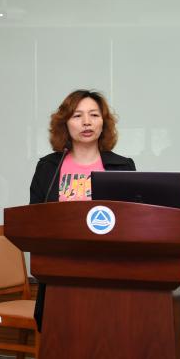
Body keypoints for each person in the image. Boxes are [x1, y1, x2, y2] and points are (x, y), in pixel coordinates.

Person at [28, 89, 135, 328]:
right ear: (65, 124)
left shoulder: (122, 167)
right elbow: (33, 220)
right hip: (59, 274)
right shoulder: (48, 167)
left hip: (109, 274)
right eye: (77, 116)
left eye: (94, 115)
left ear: (103, 123)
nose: (87, 122)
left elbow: (132, 223)